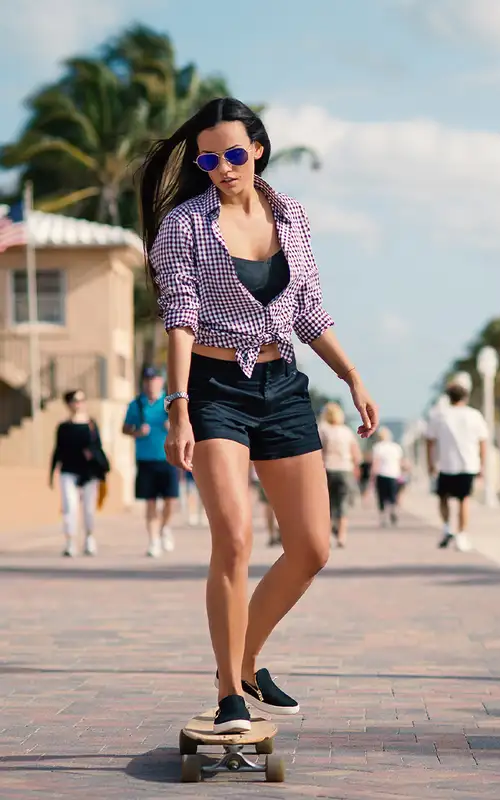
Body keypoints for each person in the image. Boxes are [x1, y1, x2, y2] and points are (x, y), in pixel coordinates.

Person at [138, 97, 378, 734]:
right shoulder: (183, 227)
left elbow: (308, 311)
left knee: (312, 548)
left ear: (259, 150)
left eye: (234, 154)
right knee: (235, 538)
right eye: (209, 157)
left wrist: (351, 376)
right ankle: (228, 692)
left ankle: (245, 662)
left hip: (283, 389)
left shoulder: (290, 214)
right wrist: (180, 407)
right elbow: (181, 320)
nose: (222, 167)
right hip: (215, 391)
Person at [425, 372, 488, 552]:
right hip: (468, 464)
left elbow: (429, 441)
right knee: (463, 500)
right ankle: (461, 534)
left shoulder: (439, 415)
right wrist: (482, 465)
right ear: (466, 396)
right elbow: (482, 441)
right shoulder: (474, 415)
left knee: (443, 498)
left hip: (445, 464)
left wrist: (431, 463)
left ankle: (446, 527)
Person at [123, 365, 178, 557]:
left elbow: (187, 423)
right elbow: (125, 428)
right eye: (147, 380)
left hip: (168, 458)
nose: (150, 384)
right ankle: (153, 540)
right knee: (151, 502)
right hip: (145, 459)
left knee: (171, 501)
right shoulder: (137, 404)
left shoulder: (170, 403)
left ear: (161, 381)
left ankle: (165, 528)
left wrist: (172, 425)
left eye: (154, 380)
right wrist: (137, 432)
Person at [50, 389, 108, 557]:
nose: (79, 403)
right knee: (69, 506)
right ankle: (70, 541)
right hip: (68, 471)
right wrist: (51, 473)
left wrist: (93, 455)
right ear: (68, 404)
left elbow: (98, 446)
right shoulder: (63, 427)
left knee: (89, 509)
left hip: (89, 473)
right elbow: (57, 450)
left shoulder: (91, 424)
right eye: (75, 400)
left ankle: (90, 537)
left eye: (82, 400)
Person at [317, 402, 361, 547]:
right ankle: (342, 537)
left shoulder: (323, 430)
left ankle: (328, 536)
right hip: (345, 470)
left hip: (327, 469)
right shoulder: (346, 431)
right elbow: (356, 455)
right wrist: (355, 467)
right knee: (343, 504)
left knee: (326, 505)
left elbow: (319, 452)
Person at [372, 427, 406, 527]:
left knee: (381, 497)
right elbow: (401, 462)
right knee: (393, 496)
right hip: (394, 475)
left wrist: (372, 476)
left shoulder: (378, 447)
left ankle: (383, 517)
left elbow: (376, 463)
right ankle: (393, 510)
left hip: (381, 474)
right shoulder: (396, 447)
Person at [249, 463, 280, 547]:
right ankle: (274, 534)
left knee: (270, 505)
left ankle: (274, 534)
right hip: (264, 474)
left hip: (262, 474)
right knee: (270, 505)